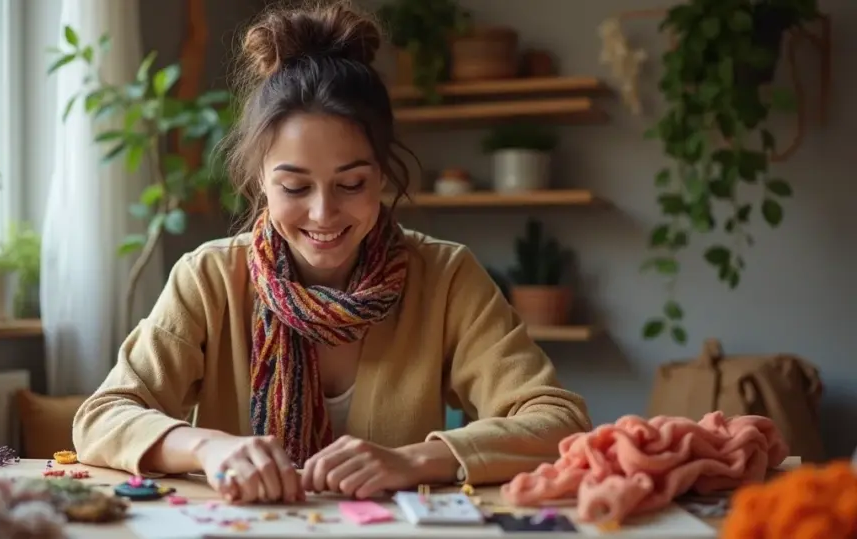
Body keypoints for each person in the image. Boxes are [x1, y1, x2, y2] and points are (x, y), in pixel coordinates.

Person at [72, 0, 591, 505]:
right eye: (295, 187)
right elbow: (103, 416)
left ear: (382, 175)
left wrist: (413, 461)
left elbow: (559, 422)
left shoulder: (445, 276)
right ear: (261, 180)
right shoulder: (209, 277)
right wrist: (208, 447)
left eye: (351, 184)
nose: (323, 214)